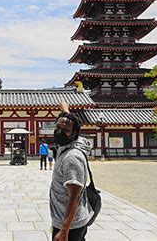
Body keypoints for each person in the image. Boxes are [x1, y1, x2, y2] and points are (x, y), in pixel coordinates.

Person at [50, 101, 93, 241]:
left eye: (65, 130)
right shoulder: (68, 143)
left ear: (74, 133)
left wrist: (64, 230)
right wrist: (65, 110)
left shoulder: (72, 158)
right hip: (66, 218)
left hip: (70, 224)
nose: (60, 131)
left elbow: (74, 196)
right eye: (58, 127)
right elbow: (67, 123)